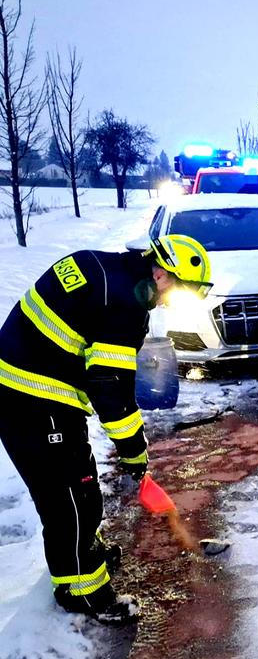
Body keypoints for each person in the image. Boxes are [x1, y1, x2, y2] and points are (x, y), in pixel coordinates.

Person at [0, 235, 212, 625]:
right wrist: (134, 450)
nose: (169, 303)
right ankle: (83, 593)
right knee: (71, 496)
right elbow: (110, 388)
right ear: (163, 274)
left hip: (28, 390)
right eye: (179, 293)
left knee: (76, 484)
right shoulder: (124, 305)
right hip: (32, 399)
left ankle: (83, 557)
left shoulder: (102, 267)